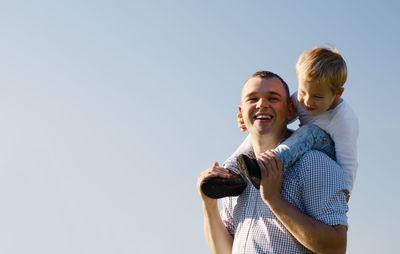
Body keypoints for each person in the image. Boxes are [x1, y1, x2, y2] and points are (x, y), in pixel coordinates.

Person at [197, 71, 348, 253]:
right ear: (241, 112)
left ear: (290, 110)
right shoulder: (235, 179)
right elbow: (224, 251)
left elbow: (336, 248)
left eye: (273, 98)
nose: (262, 104)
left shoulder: (314, 162)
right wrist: (209, 204)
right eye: (252, 99)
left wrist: (274, 200)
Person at [218, 47, 358, 201]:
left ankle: (266, 166)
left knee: (311, 131)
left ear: (338, 93)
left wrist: (344, 191)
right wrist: (252, 118)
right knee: (264, 126)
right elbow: (280, 117)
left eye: (317, 96)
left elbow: (348, 161)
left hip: (327, 156)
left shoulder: (344, 119)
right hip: (302, 144)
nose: (308, 101)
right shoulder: (300, 99)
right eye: (303, 92)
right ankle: (229, 171)